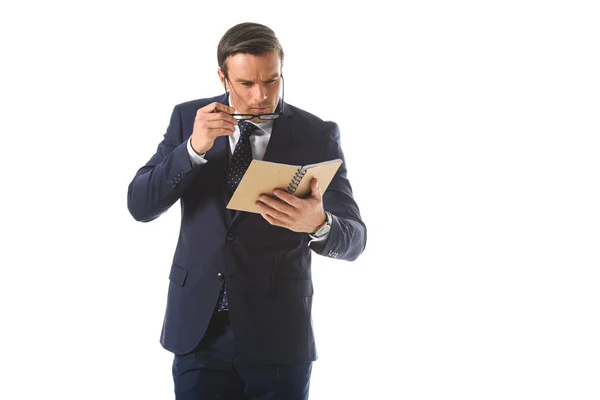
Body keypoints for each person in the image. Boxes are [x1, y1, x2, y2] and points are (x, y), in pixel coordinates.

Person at [127, 22, 367, 400]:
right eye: (246, 84)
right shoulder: (188, 118)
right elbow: (140, 205)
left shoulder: (317, 134)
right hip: (198, 331)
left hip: (279, 336)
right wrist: (193, 148)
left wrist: (319, 224)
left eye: (271, 81)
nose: (261, 96)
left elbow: (355, 239)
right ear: (223, 76)